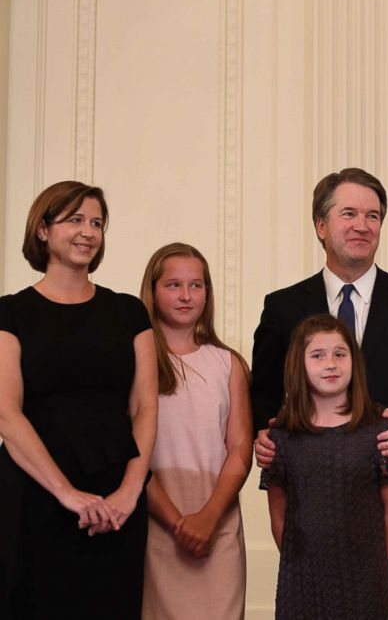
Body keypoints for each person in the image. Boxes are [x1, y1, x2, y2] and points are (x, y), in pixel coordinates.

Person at [251, 167, 388, 620]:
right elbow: (262, 392)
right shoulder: (282, 306)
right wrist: (265, 436)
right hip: (312, 511)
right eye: (349, 213)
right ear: (321, 225)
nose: (363, 225)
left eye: (373, 215)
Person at [0, 181, 158, 618]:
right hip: (36, 496)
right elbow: (6, 414)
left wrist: (129, 492)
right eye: (75, 220)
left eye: (96, 223)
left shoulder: (129, 312)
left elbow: (146, 407)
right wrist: (68, 494)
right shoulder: (10, 312)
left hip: (117, 500)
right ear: (43, 230)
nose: (88, 231)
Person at [261, 314, 388, 619]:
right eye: (318, 355)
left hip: (368, 581)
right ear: (298, 365)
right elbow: (279, 513)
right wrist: (300, 563)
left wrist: (373, 564)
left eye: (340, 354)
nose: (331, 363)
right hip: (301, 582)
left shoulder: (380, 430)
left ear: (354, 362)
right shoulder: (282, 436)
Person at [139, 243, 253, 620]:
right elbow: (131, 451)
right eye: (173, 285)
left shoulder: (227, 363)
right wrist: (176, 522)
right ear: (152, 291)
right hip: (155, 524)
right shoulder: (136, 364)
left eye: (196, 285)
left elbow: (239, 448)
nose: (186, 295)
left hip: (216, 524)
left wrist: (207, 518)